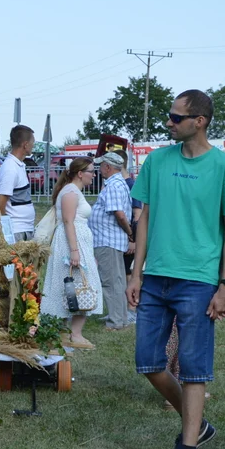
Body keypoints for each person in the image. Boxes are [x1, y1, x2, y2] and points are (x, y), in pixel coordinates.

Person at [127, 89, 225, 449]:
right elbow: (143, 220)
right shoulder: (157, 161)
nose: (169, 123)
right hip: (156, 277)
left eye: (176, 118)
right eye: (169, 116)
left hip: (199, 279)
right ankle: (199, 426)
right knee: (148, 362)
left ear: (200, 121)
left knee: (194, 370)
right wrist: (135, 273)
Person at [41, 157, 103, 349]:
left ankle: (71, 333)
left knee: (81, 285)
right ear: (80, 173)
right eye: (91, 171)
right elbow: (68, 222)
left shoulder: (73, 191)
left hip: (79, 243)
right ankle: (72, 334)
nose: (94, 175)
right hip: (70, 244)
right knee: (75, 285)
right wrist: (75, 251)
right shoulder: (70, 192)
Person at [88, 152, 134, 330]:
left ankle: (115, 321)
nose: (99, 170)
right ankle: (121, 318)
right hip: (111, 239)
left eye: (101, 166)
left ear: (108, 167)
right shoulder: (118, 184)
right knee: (118, 280)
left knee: (110, 281)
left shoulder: (114, 185)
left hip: (108, 240)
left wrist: (129, 232)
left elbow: (119, 214)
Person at [0, 125, 36, 241]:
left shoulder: (18, 166)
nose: (33, 146)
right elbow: (0, 205)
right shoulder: (10, 169)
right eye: (32, 142)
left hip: (23, 231)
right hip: (16, 232)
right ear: (25, 144)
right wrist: (7, 234)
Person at [116, 149, 142, 326]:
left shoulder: (131, 184)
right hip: (121, 237)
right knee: (123, 272)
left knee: (129, 272)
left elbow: (137, 214)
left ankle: (132, 309)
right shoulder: (119, 182)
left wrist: (133, 239)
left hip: (130, 237)